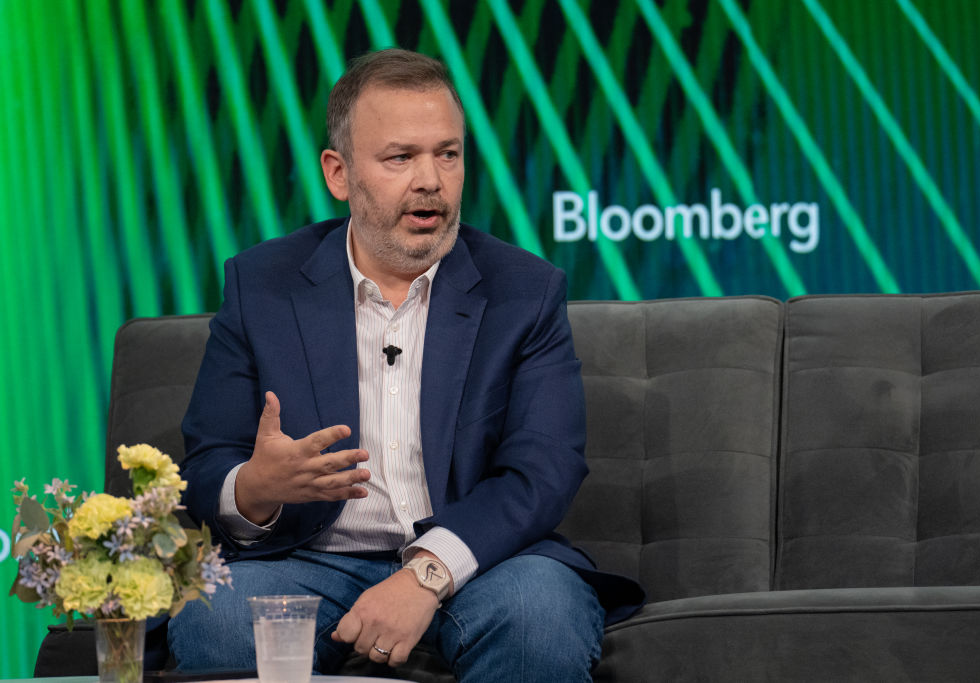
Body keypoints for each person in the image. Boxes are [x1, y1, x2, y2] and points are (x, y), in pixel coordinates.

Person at [168, 48, 643, 681]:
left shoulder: (523, 292)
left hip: (479, 562)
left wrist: (425, 574)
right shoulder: (262, 286)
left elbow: (543, 467)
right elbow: (207, 464)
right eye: (401, 157)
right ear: (339, 174)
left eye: (448, 154)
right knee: (216, 615)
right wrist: (256, 490)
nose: (431, 181)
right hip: (306, 558)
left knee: (539, 615)